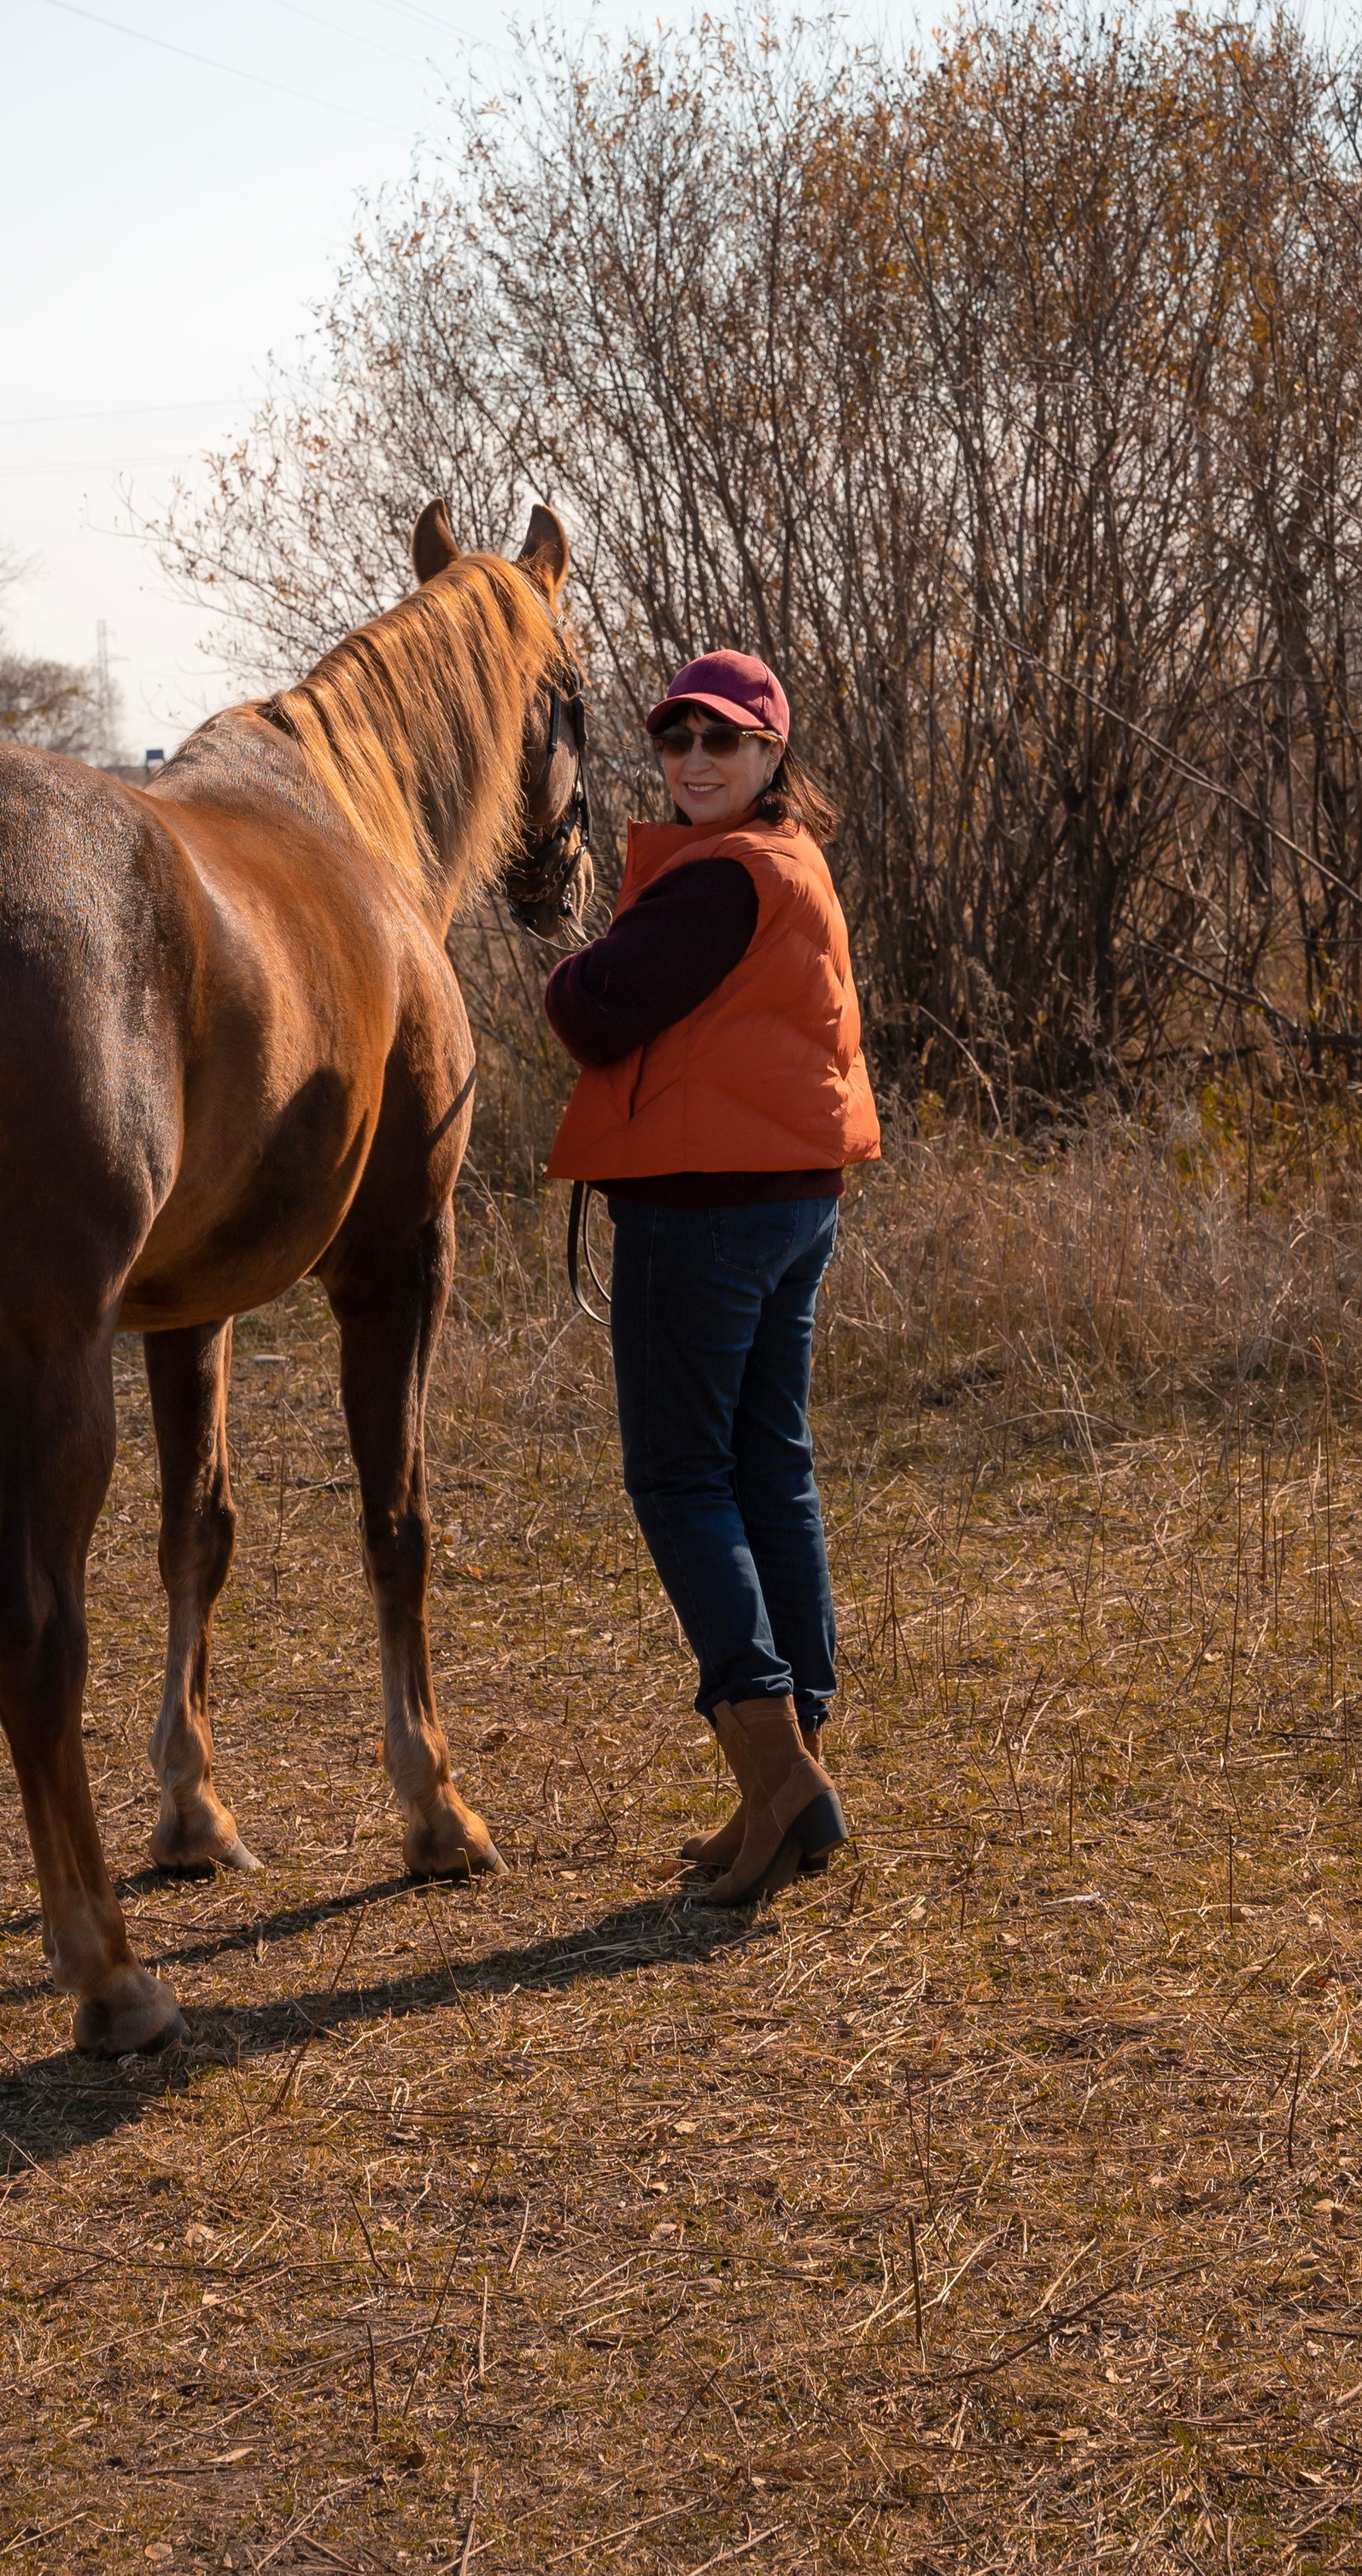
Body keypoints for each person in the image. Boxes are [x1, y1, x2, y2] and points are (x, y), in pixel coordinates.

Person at [544, 650, 880, 1908]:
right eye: (678, 740)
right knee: (766, 1468)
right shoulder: (787, 862)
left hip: (706, 1212)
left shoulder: (718, 880)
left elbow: (591, 1011)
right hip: (791, 1201)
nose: (694, 761)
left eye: (723, 743)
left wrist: (571, 967)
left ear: (772, 756)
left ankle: (783, 1780)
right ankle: (778, 1784)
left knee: (682, 1481)